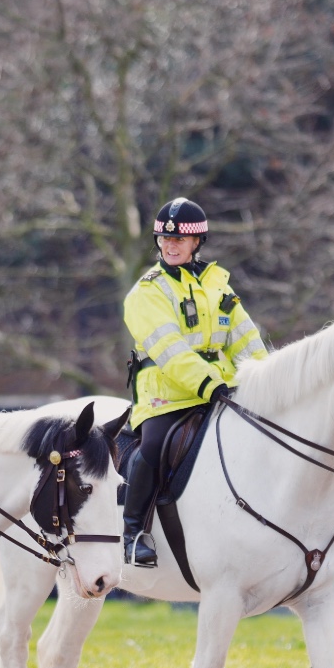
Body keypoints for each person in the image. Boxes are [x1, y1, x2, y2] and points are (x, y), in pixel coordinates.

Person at [119, 196, 267, 567]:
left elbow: (246, 341)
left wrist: (268, 384)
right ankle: (134, 532)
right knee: (152, 448)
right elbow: (170, 351)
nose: (170, 245)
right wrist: (211, 385)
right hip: (167, 399)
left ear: (196, 242)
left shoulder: (219, 287)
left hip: (221, 392)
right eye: (165, 239)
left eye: (179, 240)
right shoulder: (146, 292)